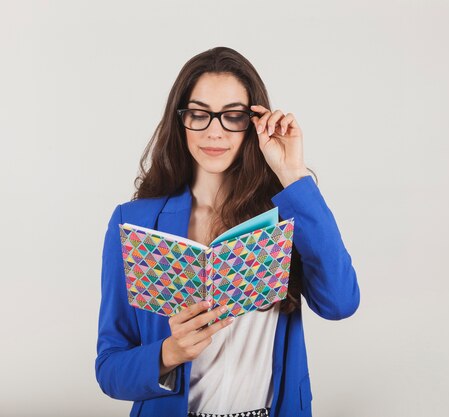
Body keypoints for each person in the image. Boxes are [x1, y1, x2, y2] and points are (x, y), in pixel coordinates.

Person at [95, 46, 360, 417]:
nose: (214, 131)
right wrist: (169, 353)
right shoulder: (135, 222)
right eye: (200, 114)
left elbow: (340, 302)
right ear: (180, 120)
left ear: (253, 122)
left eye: (232, 116)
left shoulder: (286, 215)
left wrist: (292, 174)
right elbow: (109, 368)